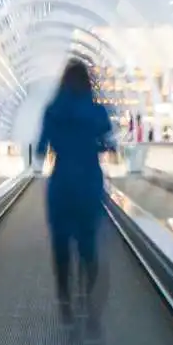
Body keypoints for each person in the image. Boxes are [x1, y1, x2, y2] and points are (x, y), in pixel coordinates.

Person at [35, 58, 114, 325]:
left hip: (61, 185)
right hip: (89, 184)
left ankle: (64, 299)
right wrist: (95, 146)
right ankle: (87, 298)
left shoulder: (52, 111)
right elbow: (108, 143)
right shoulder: (98, 112)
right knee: (88, 244)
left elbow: (40, 149)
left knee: (61, 245)